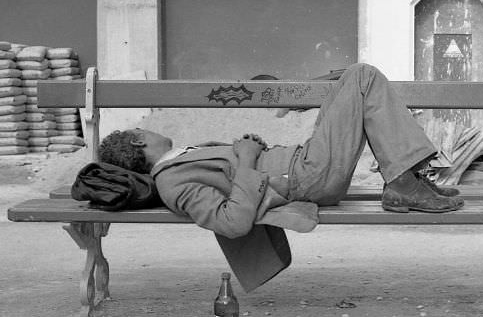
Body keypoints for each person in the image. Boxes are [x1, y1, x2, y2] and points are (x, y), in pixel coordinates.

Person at [98, 63, 464, 241]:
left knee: (352, 78)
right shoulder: (172, 182)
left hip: (304, 164)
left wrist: (250, 149)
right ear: (137, 142)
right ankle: (403, 181)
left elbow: (235, 177)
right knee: (362, 77)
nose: (149, 126)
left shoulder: (177, 163)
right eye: (141, 128)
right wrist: (243, 158)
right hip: (305, 176)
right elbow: (232, 223)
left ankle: (406, 179)